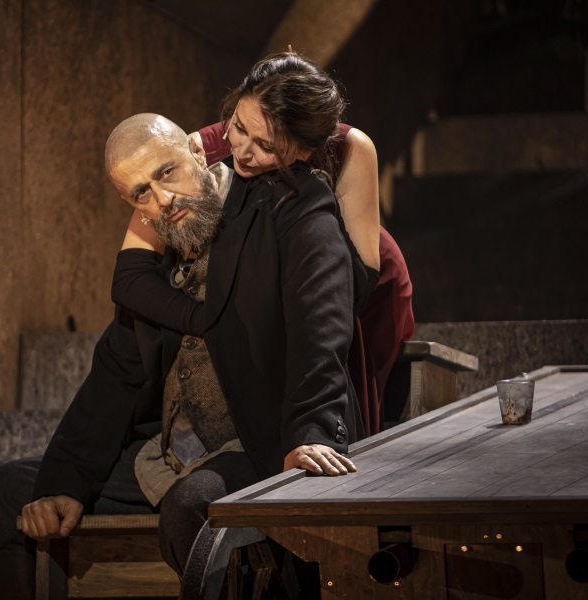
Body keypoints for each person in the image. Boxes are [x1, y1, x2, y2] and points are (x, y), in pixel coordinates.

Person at [0, 55, 360, 600]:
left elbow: (321, 326)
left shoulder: (288, 202)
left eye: (166, 174)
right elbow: (117, 374)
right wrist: (64, 483)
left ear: (197, 151)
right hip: (170, 456)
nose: (163, 200)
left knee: (193, 506)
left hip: (259, 443)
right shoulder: (155, 256)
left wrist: (311, 435)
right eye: (141, 193)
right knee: (8, 491)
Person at [114, 52, 415, 437]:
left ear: (305, 151)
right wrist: (214, 320)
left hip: (359, 273)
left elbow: (353, 287)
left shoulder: (350, 146)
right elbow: (130, 278)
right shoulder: (199, 147)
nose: (241, 151)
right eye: (239, 127)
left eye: (266, 146)